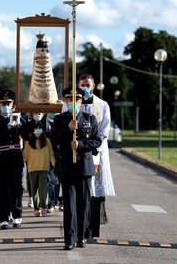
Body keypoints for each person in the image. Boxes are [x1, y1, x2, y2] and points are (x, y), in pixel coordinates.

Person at [52, 86, 103, 250]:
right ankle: (69, 239)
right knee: (69, 205)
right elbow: (54, 139)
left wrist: (80, 144)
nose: (74, 102)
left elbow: (97, 141)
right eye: (70, 99)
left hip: (84, 168)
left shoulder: (90, 118)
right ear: (66, 101)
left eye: (77, 99)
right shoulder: (60, 119)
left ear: (81, 101)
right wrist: (68, 129)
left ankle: (82, 237)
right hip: (67, 167)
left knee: (84, 204)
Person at [78, 73, 116, 238]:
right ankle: (80, 227)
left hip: (97, 153)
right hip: (79, 152)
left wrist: (93, 146)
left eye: (88, 85)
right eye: (83, 85)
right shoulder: (74, 104)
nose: (85, 88)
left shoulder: (103, 105)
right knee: (82, 190)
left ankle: (93, 228)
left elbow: (104, 130)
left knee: (95, 192)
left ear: (93, 86)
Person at [0, 89, 33, 229]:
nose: (6, 105)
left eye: (8, 103)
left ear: (13, 104)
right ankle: (4, 218)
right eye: (3, 103)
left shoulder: (18, 116)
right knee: (2, 187)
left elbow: (27, 136)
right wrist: (9, 124)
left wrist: (19, 124)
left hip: (15, 155)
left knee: (17, 188)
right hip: (1, 156)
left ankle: (17, 215)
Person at [23, 119, 55, 217]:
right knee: (34, 189)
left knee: (43, 189)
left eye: (39, 128)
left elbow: (51, 154)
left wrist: (54, 165)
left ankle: (44, 207)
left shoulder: (47, 141)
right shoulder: (29, 142)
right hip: (32, 168)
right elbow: (25, 155)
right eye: (36, 128)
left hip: (44, 167)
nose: (37, 130)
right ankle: (36, 208)